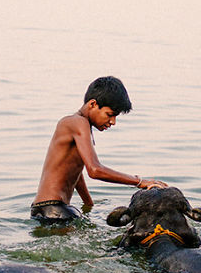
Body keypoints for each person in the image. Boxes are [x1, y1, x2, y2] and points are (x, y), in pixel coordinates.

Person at [31, 76, 167, 222]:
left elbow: (74, 171)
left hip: (42, 208)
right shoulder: (78, 122)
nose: (113, 122)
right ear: (93, 104)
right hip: (56, 209)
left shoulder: (76, 125)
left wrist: (88, 204)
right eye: (110, 115)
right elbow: (95, 170)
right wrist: (139, 181)